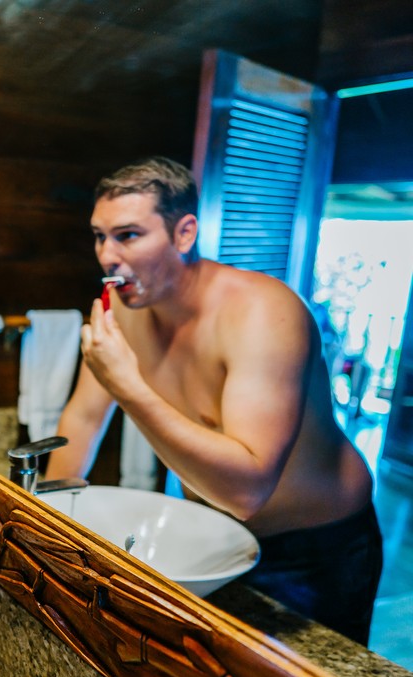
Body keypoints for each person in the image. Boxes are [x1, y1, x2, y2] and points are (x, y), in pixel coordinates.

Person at [47, 156, 381, 644]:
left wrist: (128, 387)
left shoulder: (263, 315)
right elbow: (83, 416)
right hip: (212, 535)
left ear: (184, 234)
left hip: (319, 548)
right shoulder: (122, 308)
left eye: (129, 235)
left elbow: (248, 491)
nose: (107, 256)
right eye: (100, 236)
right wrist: (45, 526)